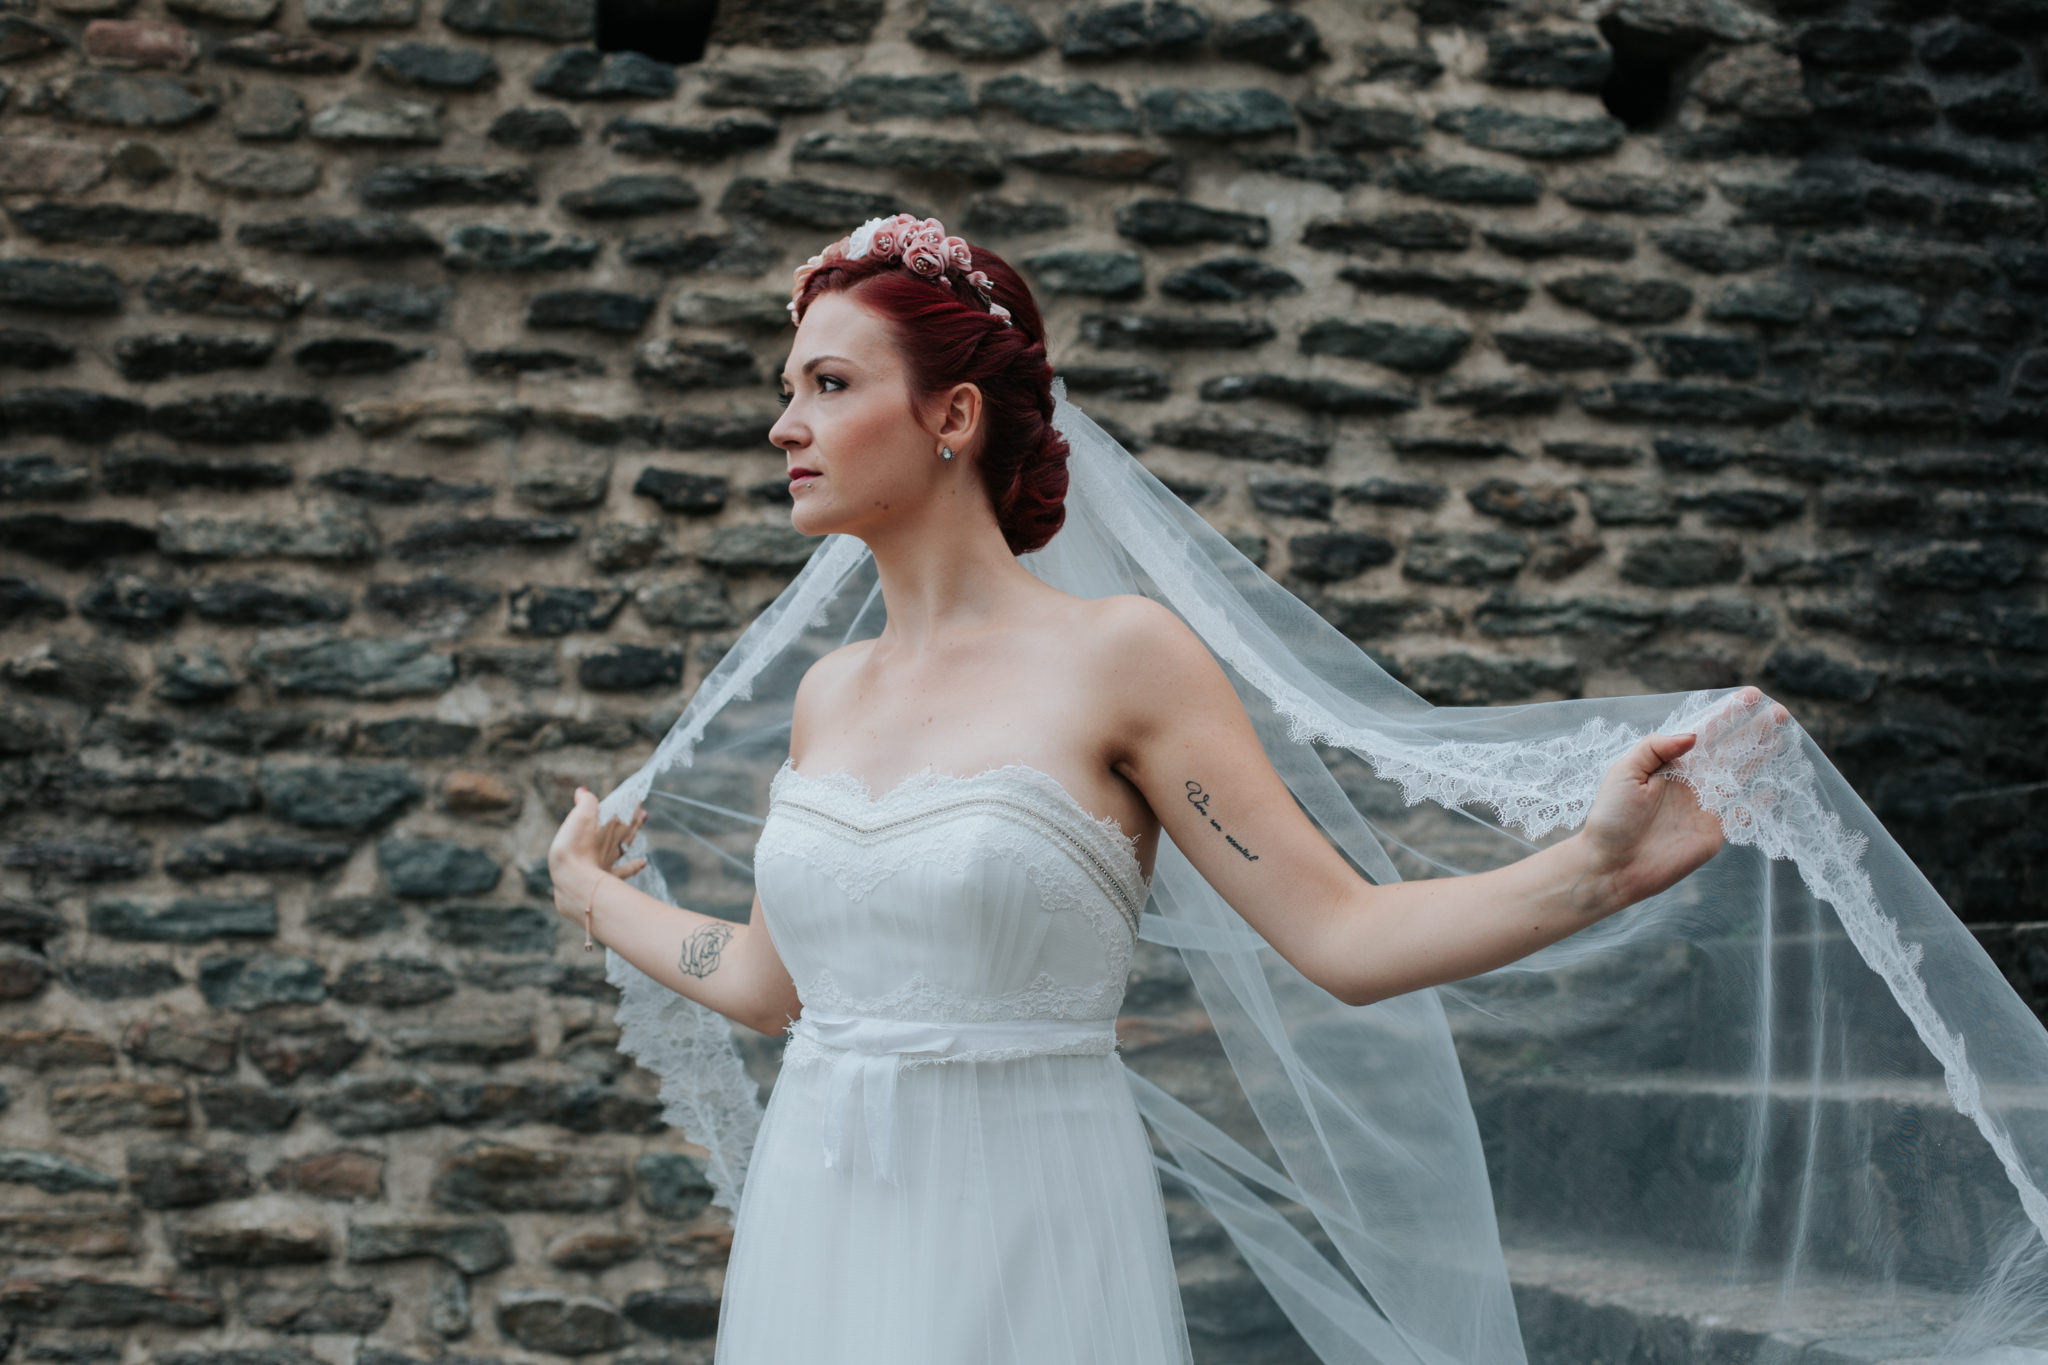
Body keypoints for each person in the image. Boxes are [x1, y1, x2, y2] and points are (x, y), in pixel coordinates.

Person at [546, 216, 2048, 1364]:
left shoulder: (1120, 659)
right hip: (821, 1228)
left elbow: (1338, 935)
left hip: (1024, 1224)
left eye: (824, 383)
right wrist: (596, 892)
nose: (781, 424)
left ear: (952, 417)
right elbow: (770, 982)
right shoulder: (831, 692)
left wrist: (1592, 867)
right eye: (784, 388)